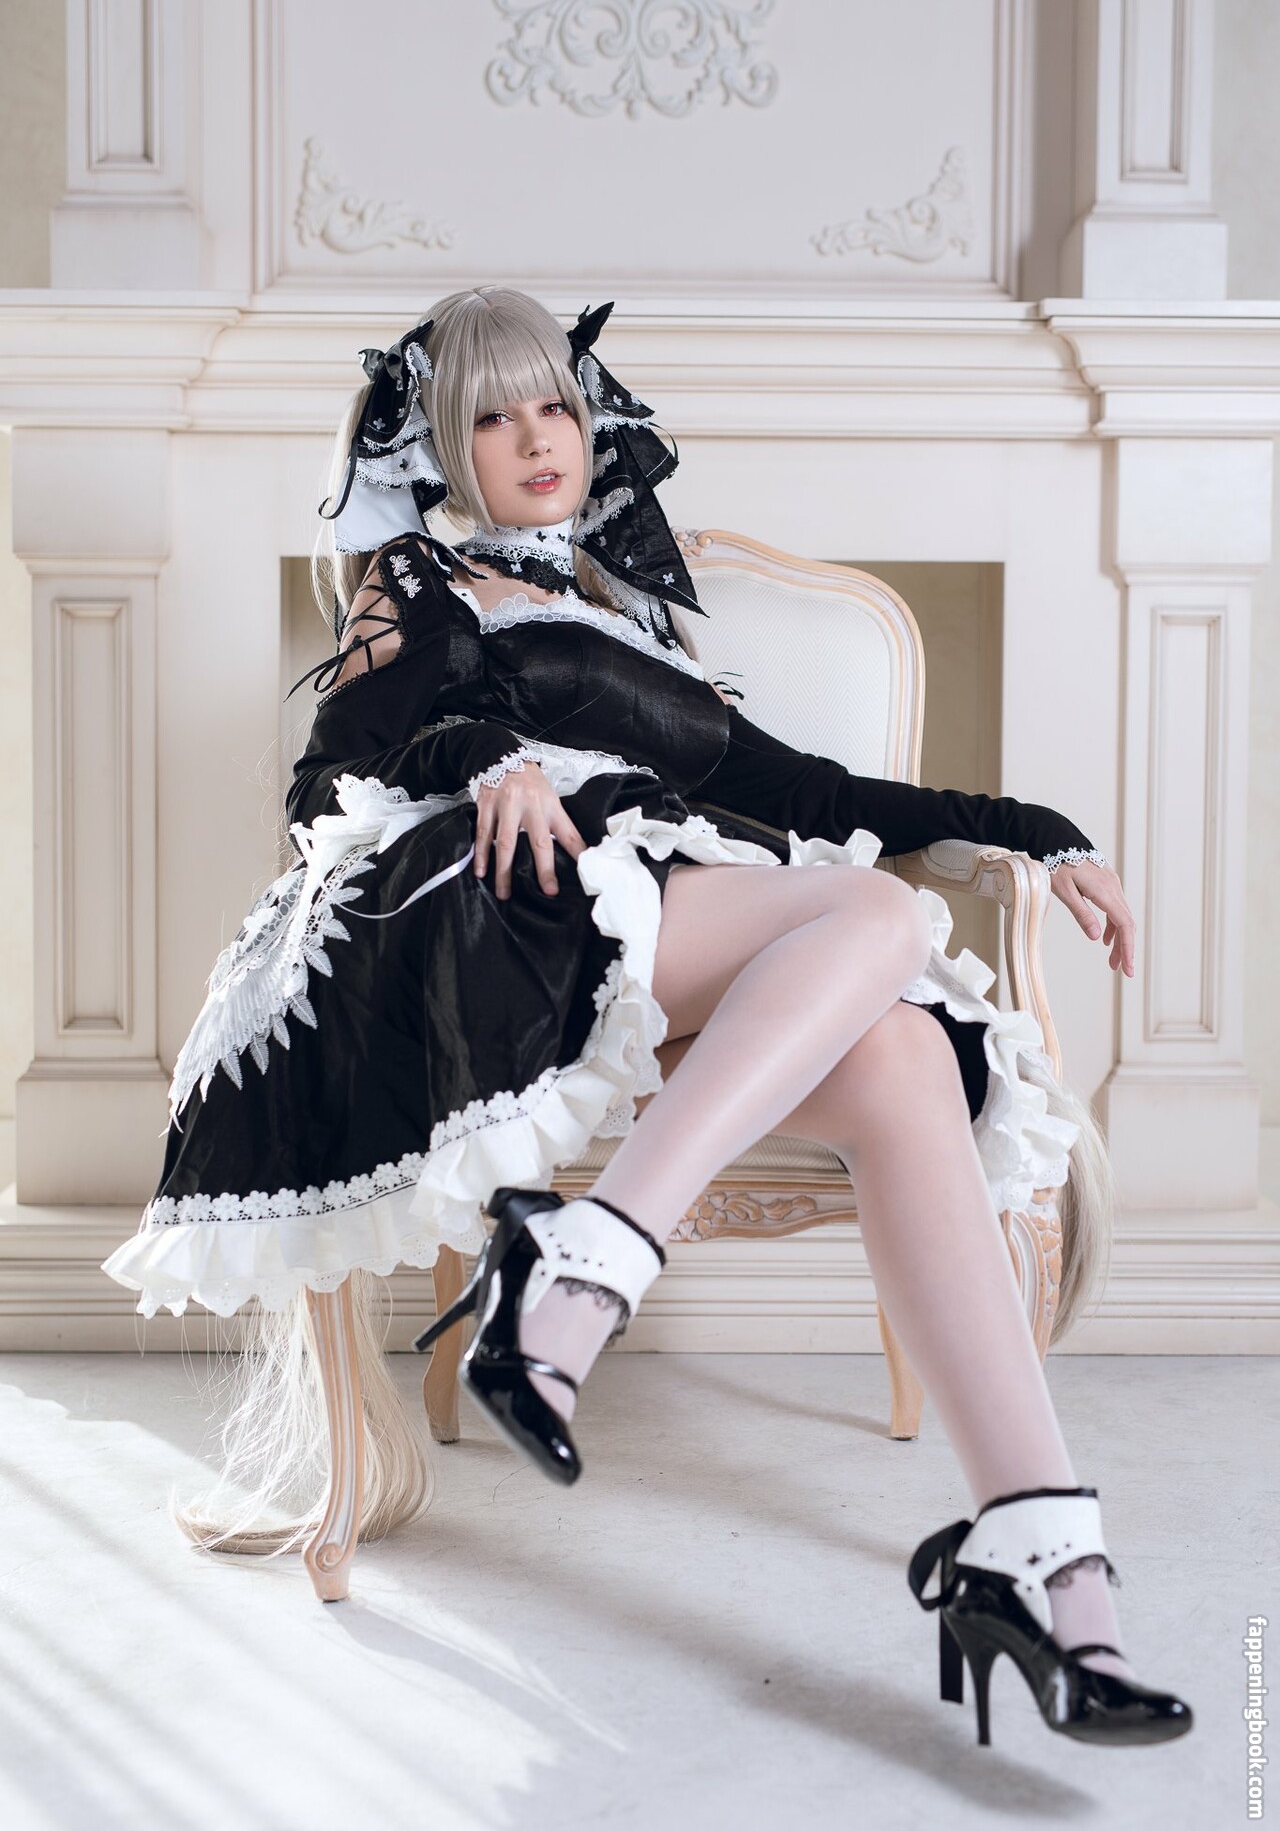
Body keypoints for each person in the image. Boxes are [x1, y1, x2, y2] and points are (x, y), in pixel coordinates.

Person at [102, 286, 1191, 1749]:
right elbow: (323, 785)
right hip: (517, 930)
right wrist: (484, 755)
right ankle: (581, 1275)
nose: (535, 439)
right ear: (440, 449)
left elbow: (817, 795)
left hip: (653, 959)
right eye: (491, 417)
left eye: (555, 404)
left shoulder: (632, 623)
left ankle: (1043, 1561)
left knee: (902, 1057)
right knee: (879, 919)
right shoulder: (418, 586)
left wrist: (1039, 832)